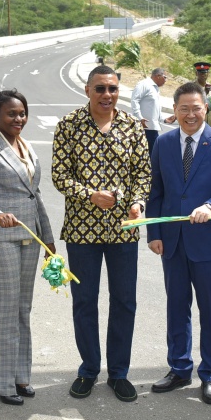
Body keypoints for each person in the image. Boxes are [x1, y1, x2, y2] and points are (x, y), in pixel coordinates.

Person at [52, 65, 151, 402]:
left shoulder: (131, 127)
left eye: (112, 88)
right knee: (84, 302)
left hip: (124, 231)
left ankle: (119, 373)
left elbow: (143, 174)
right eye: (100, 89)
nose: (107, 95)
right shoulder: (69, 126)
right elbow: (59, 176)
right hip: (82, 231)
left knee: (125, 302)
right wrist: (88, 194)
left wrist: (135, 202)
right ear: (87, 91)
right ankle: (89, 369)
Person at [146, 82, 211, 404]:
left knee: (209, 309)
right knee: (176, 307)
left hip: (206, 240)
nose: (190, 114)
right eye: (183, 108)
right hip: (171, 241)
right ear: (175, 111)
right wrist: (154, 233)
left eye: (196, 108)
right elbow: (155, 191)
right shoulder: (163, 143)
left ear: (205, 109)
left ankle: (210, 374)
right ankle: (179, 368)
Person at [0, 89, 55, 406]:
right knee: (6, 308)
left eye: (22, 114)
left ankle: (21, 376)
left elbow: (35, 196)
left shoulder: (26, 146)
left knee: (23, 309)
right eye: (11, 114)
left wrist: (48, 240)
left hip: (29, 238)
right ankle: (1, 383)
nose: (18, 119)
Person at [131, 67, 170, 152]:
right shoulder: (144, 84)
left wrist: (164, 120)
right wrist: (139, 118)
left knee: (153, 155)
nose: (166, 80)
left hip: (152, 128)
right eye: (165, 77)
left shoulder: (155, 88)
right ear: (158, 76)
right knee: (144, 155)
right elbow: (135, 100)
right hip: (144, 128)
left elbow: (153, 108)